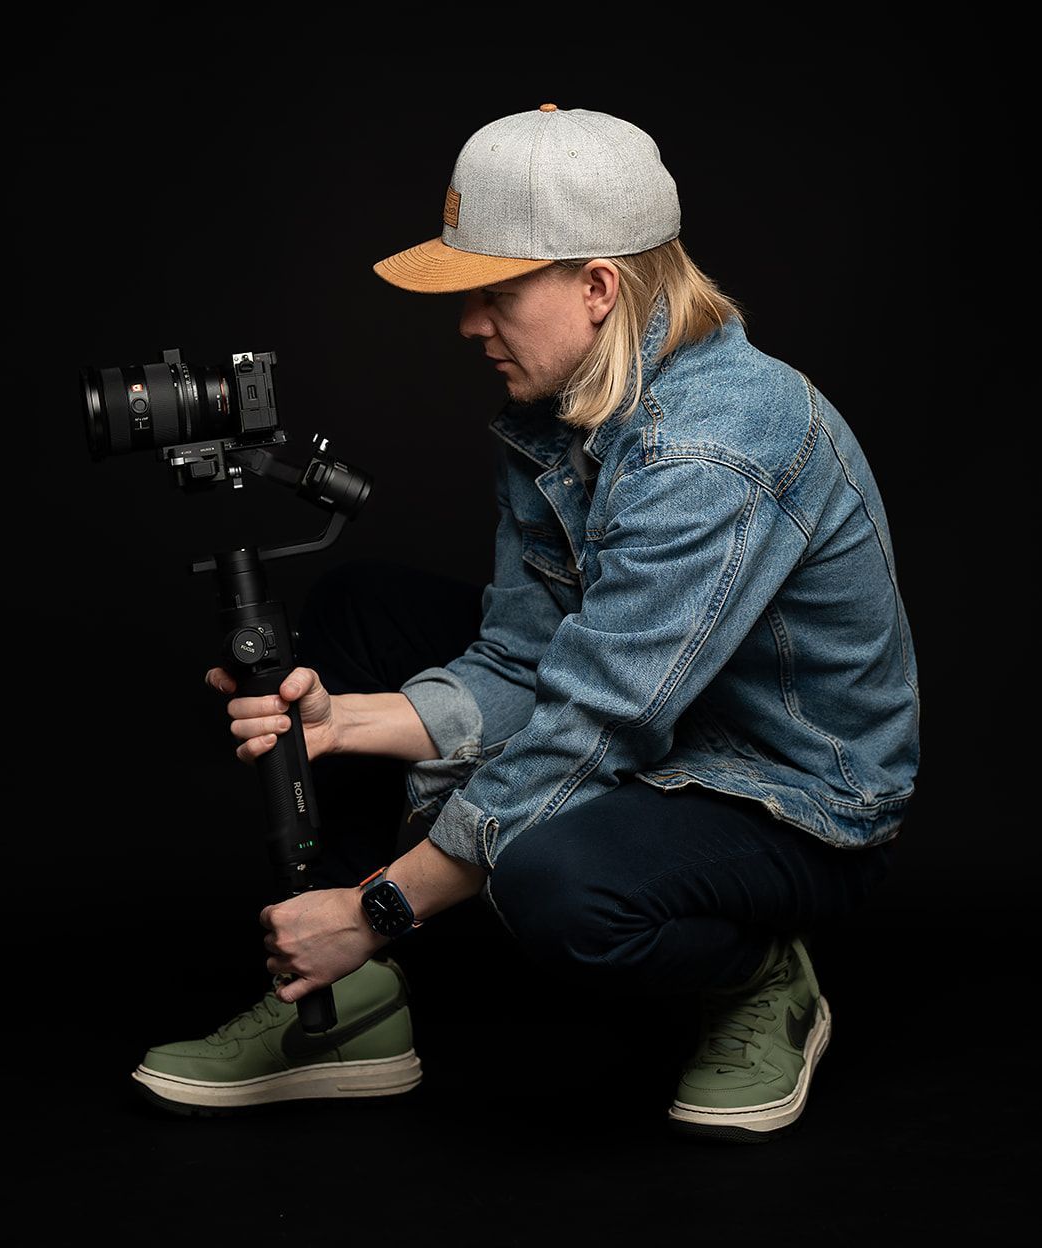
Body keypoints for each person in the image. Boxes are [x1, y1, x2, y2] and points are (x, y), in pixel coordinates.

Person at [133, 103, 920, 1140]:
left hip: (784, 793)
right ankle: (343, 1011)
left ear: (596, 287)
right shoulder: (561, 402)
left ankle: (758, 979)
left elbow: (594, 722)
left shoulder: (715, 447)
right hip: (644, 716)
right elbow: (524, 654)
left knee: (557, 882)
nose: (468, 326)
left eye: (493, 295)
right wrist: (345, 722)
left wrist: (378, 907)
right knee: (354, 615)